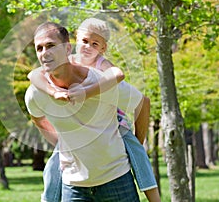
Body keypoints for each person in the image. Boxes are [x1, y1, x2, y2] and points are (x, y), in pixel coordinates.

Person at [28, 18, 161, 202]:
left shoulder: (100, 80)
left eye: (50, 45)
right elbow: (37, 115)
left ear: (67, 48)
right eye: (39, 48)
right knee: (51, 170)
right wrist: (63, 141)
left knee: (138, 155)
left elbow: (141, 102)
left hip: (116, 178)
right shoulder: (36, 92)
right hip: (73, 184)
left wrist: (135, 143)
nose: (44, 53)